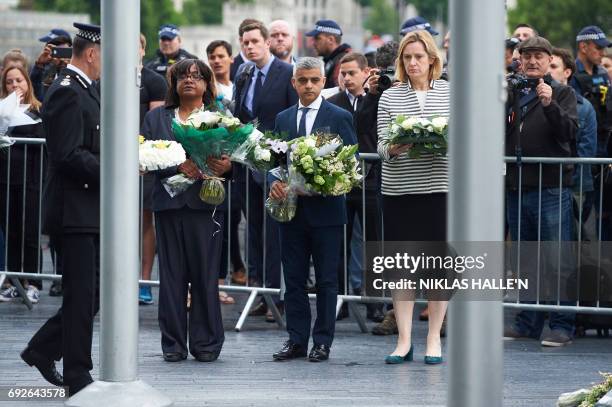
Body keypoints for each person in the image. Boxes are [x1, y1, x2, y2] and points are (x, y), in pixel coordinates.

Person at [21, 23, 102, 396]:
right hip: (73, 210)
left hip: (86, 209)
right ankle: (77, 373)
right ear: (92, 53)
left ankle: (44, 350)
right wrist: (114, 173)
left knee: (90, 296)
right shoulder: (68, 92)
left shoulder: (85, 89)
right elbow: (68, 153)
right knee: (82, 295)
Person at [269, 57, 357, 362]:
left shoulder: (339, 116)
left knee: (326, 280)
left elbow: (350, 164)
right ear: (294, 83)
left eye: (314, 80)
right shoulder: (282, 118)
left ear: (323, 82)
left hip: (326, 212)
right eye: (302, 80)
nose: (308, 85)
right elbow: (274, 161)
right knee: (292, 279)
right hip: (291, 211)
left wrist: (327, 181)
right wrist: (274, 182)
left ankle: (323, 341)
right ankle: (296, 339)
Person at [141, 59, 227, 363]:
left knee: (205, 275)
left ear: (206, 83)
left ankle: (206, 343)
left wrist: (224, 165)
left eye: (196, 76)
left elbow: (236, 161)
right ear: (174, 84)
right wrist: (179, 165)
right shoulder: (157, 118)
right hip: (168, 204)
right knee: (172, 276)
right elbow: (146, 154)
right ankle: (173, 344)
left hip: (204, 206)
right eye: (182, 77)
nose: (189, 80)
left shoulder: (219, 117)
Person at [376, 30, 450, 365]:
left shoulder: (450, 93)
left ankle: (434, 337)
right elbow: (379, 145)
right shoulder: (389, 98)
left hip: (440, 189)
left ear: (432, 59)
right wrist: (393, 147)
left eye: (419, 56)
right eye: (407, 57)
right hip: (400, 192)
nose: (413, 62)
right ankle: (404, 340)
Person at [504, 36, 578, 347]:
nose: (533, 61)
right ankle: (527, 322)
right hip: (517, 187)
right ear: (519, 59)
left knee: (555, 258)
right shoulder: (512, 93)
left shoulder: (563, 93)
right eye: (527, 55)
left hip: (551, 188)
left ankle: (561, 324)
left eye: (539, 56)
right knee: (525, 259)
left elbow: (569, 134)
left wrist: (549, 105)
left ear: (550, 61)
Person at [233, 20, 298, 321]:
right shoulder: (243, 73)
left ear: (267, 42)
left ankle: (277, 294)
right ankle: (258, 290)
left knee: (275, 233)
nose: (249, 47)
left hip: (275, 165)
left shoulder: (286, 73)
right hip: (247, 166)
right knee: (254, 232)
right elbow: (240, 115)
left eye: (254, 41)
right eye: (245, 42)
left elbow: (291, 117)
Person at [328, 52, 384, 322]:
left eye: (352, 73)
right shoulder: (333, 102)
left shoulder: (379, 99)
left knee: (374, 242)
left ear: (366, 73)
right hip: (340, 181)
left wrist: (373, 96)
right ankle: (339, 300)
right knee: (339, 243)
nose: (347, 78)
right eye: (343, 73)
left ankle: (375, 301)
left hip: (372, 179)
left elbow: (370, 129)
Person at [0, 65, 45, 304]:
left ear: (27, 83)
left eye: (19, 80)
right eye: (9, 82)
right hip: (6, 180)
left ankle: (33, 282)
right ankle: (15, 281)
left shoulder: (38, 111)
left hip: (31, 180)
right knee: (12, 232)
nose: (14, 85)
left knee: (29, 232)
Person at [206, 39, 245, 305]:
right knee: (213, 228)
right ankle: (208, 284)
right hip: (211, 167)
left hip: (235, 167)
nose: (216, 60)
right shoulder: (206, 88)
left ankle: (229, 276)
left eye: (221, 56)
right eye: (212, 56)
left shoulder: (240, 87)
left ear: (231, 58)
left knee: (230, 225)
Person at [549, 48, 597, 234]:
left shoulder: (584, 108)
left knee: (575, 239)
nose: (548, 71)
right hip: (546, 184)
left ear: (567, 72)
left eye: (554, 66)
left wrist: (571, 183)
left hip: (574, 186)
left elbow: (586, 151)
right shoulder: (535, 100)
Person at [138, 33, 168, 305]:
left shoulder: (153, 80)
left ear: (142, 49)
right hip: (111, 159)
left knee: (145, 220)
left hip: (144, 160)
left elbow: (155, 124)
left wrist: (145, 156)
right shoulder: (105, 79)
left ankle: (144, 280)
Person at [305, 19, 351, 89]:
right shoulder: (332, 60)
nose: (313, 43)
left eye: (317, 38)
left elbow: (340, 93)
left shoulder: (343, 62)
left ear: (331, 40)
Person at [30, 29, 72, 102]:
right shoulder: (42, 70)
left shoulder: (74, 71)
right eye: (48, 47)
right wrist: (39, 66)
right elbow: (35, 93)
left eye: (59, 49)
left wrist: (66, 68)